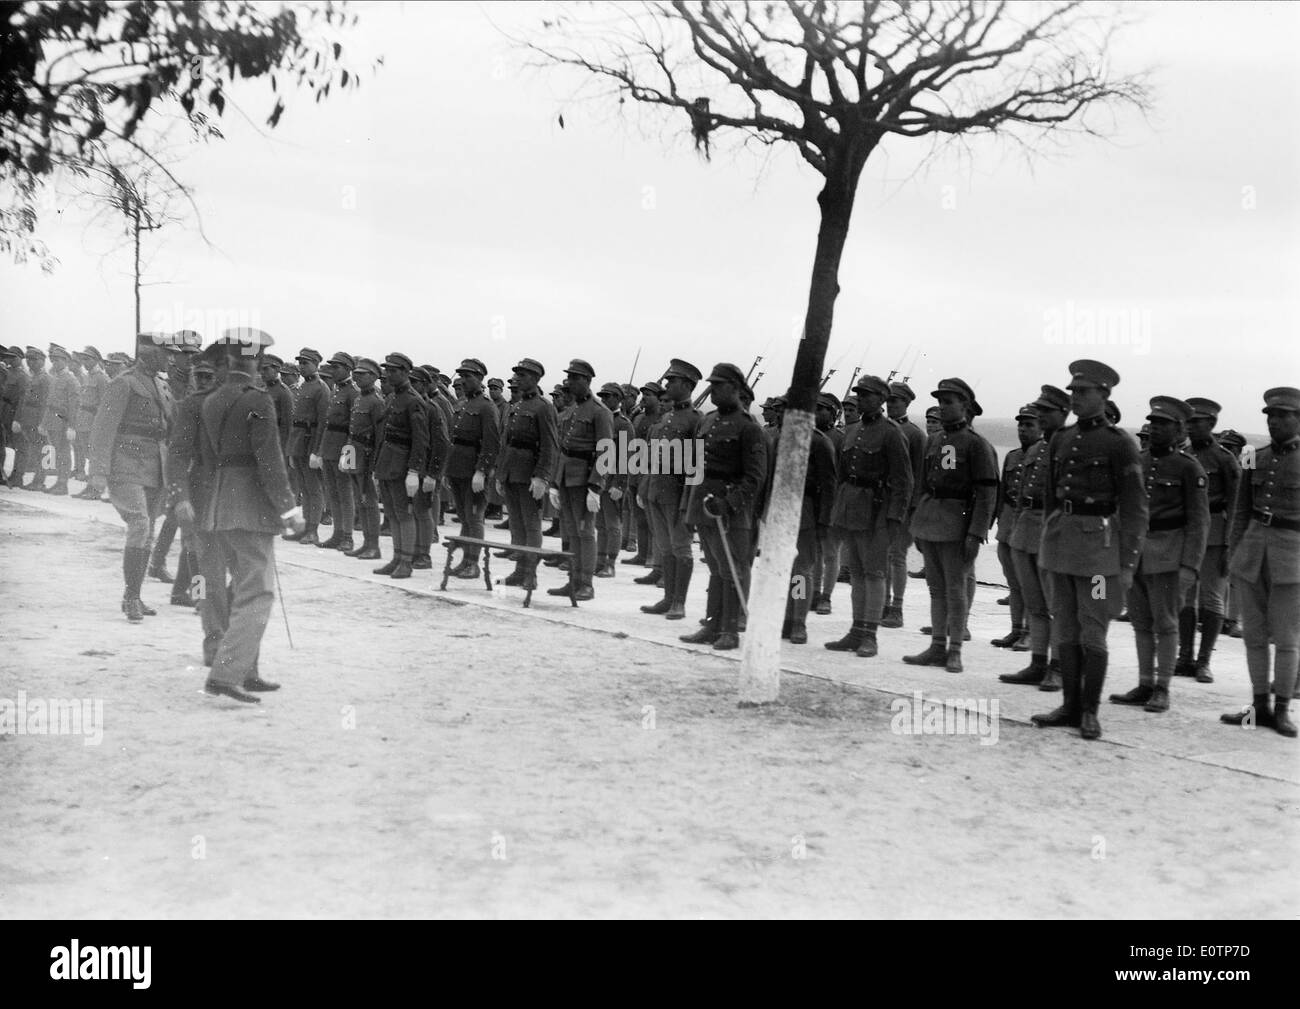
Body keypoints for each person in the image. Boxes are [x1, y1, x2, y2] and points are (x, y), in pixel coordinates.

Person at [183, 329, 305, 703]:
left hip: (219, 502)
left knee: (239, 588)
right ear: (256, 360)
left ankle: (246, 671)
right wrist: (289, 508)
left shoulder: (212, 398)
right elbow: (269, 460)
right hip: (249, 505)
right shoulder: (259, 399)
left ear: (230, 359)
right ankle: (226, 673)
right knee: (257, 591)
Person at [1032, 360, 1148, 740]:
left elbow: (1134, 509)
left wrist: (1127, 564)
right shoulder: (1060, 440)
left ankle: (1090, 711)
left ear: (1104, 395)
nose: (1075, 397)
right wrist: (1050, 533)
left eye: (1083, 392)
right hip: (1061, 548)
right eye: (1073, 392)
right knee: (1064, 626)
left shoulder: (1120, 444)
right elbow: (1051, 495)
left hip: (1100, 556)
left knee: (1093, 631)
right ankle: (1069, 705)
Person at [1109, 397, 1209, 714]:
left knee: (1166, 624)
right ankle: (1144, 683)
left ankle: (1163, 686)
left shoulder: (1188, 468)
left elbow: (1199, 522)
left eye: (1164, 424)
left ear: (1179, 429)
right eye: (1153, 422)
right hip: (1135, 553)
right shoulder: (1138, 461)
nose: (1155, 429)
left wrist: (1190, 567)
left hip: (1168, 555)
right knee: (1140, 622)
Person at [1220, 387, 1300, 738]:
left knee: (1286, 637)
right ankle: (1258, 706)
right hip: (1252, 552)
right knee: (1253, 635)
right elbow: (1240, 509)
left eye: (1283, 416)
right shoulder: (1252, 455)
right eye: (1270, 415)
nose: (1274, 422)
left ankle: (1282, 708)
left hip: (1291, 556)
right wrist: (1234, 551)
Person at [904, 378, 998, 673]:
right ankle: (936, 645)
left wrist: (976, 532)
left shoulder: (976, 444)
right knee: (936, 589)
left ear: (965, 407)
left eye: (949, 402)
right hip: (931, 521)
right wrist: (917, 524)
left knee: (955, 589)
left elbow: (986, 493)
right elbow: (921, 484)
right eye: (941, 402)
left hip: (958, 524)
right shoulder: (933, 441)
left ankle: (955, 649)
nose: (943, 408)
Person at [88, 332, 176, 621]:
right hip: (126, 465)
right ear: (149, 353)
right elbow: (103, 428)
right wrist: (98, 471)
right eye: (166, 353)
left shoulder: (162, 385)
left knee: (148, 527)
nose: (170, 358)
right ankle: (131, 596)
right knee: (139, 523)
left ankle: (135, 595)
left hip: (155, 466)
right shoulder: (123, 383)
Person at [678, 363, 766, 650]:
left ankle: (730, 630)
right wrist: (688, 508)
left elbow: (755, 476)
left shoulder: (749, 427)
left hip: (730, 510)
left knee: (732, 568)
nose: (712, 390)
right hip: (704, 503)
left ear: (736, 389)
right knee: (715, 568)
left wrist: (728, 503)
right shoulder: (707, 421)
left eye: (718, 385)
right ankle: (712, 624)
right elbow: (695, 468)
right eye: (711, 384)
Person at [824, 375, 912, 655]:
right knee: (858, 573)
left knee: (874, 573)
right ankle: (856, 629)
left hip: (877, 512)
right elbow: (840, 475)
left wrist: (895, 518)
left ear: (882, 399)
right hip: (851, 509)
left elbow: (903, 481)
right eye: (859, 395)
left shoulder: (891, 433)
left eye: (866, 395)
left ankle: (869, 635)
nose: (860, 399)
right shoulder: (852, 431)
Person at [1001, 384, 1071, 689]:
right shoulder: (1033, 450)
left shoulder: (1071, 445)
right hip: (1026, 529)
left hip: (1054, 530)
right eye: (1037, 411)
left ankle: (1058, 667)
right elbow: (1020, 494)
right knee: (1036, 604)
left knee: (1058, 605)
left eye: (1045, 411)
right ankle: (1038, 662)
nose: (1039, 416)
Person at [1175, 397, 1241, 683]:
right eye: (1188, 422)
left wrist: (1230, 545)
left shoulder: (1225, 459)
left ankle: (1204, 661)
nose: (1190, 428)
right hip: (1186, 532)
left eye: (1196, 422)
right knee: (1185, 597)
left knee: (1212, 598)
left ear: (1212, 424)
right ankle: (1184, 657)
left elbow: (1237, 505)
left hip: (1215, 534)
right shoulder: (1183, 455)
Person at [640, 360, 703, 615]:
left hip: (678, 494)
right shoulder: (666, 418)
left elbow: (696, 466)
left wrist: (690, 502)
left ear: (687, 385)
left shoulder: (695, 420)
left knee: (681, 548)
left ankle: (679, 602)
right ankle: (667, 598)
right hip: (657, 489)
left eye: (672, 381)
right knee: (665, 547)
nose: (667, 385)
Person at [547, 359, 612, 600]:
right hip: (566, 478)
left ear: (586, 381)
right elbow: (562, 449)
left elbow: (606, 451)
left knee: (585, 533)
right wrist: (555, 482)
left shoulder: (600, 412)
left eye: (575, 378)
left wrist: (596, 486)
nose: (570, 382)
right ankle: (573, 580)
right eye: (569, 378)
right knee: (572, 532)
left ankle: (586, 583)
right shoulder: (571, 411)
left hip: (585, 481)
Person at [774, 395, 835, 643]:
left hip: (806, 512)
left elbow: (829, 486)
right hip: (780, 510)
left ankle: (798, 621)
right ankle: (787, 619)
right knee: (782, 570)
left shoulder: (820, 443)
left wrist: (823, 521)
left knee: (801, 571)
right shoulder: (779, 438)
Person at [495, 358, 559, 587]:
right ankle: (519, 571)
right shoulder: (516, 406)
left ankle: (530, 574)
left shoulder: (544, 407)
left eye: (522, 375)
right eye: (517, 375)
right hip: (512, 472)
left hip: (529, 474)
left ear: (534, 378)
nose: (517, 379)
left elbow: (550, 445)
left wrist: (542, 476)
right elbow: (506, 442)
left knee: (531, 525)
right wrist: (501, 475)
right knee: (516, 523)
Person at [372, 353, 430, 579]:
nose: (388, 374)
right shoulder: (392, 398)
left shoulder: (414, 401)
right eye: (387, 370)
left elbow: (420, 440)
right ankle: (397, 557)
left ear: (406, 372)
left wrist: (414, 471)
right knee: (393, 513)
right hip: (387, 462)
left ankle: (406, 561)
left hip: (402, 465)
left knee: (404, 514)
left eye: (393, 370)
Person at [444, 358, 500, 579]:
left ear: (480, 379)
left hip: (473, 470)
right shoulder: (461, 404)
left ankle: (473, 563)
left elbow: (491, 442)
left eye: (469, 376)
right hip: (457, 467)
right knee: (464, 517)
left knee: (474, 518)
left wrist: (482, 471)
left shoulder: (487, 407)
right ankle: (465, 560)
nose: (463, 380)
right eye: (462, 376)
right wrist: (448, 470)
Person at [991, 404, 1040, 649]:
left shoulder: (1045, 455)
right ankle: (1016, 629)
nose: (1023, 429)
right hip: (1009, 521)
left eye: (1029, 424)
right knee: (1013, 581)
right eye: (1021, 424)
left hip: (1032, 523)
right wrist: (997, 518)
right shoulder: (1011, 456)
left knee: (1030, 583)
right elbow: (1002, 491)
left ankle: (1031, 633)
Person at [338, 357, 386, 560]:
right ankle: (366, 543)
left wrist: (375, 465)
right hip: (353, 451)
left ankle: (373, 545)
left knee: (370, 501)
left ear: (374, 377)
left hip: (367, 455)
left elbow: (380, 436)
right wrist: (345, 457)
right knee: (360, 499)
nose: (357, 377)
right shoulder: (359, 399)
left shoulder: (377, 401)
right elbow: (351, 430)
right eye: (355, 373)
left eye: (362, 374)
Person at [285, 347, 329, 545]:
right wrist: (291, 449)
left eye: (306, 363)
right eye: (300, 363)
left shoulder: (322, 388)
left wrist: (317, 452)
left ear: (316, 365)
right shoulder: (302, 387)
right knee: (303, 487)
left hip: (311, 442)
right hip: (298, 442)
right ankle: (304, 529)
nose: (301, 367)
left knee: (313, 489)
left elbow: (323, 423)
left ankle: (313, 530)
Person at [317, 352, 359, 552]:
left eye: (336, 367)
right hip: (329, 446)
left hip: (344, 447)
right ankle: (337, 533)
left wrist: (348, 455)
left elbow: (355, 427)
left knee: (345, 493)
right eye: (331, 367)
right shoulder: (335, 390)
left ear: (347, 369)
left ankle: (348, 536)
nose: (332, 370)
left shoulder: (353, 392)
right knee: (332, 492)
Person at [594, 381, 633, 577]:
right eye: (602, 396)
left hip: (613, 480)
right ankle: (599, 560)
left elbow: (627, 457)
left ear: (618, 399)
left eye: (608, 396)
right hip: (599, 478)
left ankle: (610, 563)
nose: (604, 400)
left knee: (612, 524)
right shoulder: (600, 419)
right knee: (599, 524)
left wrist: (620, 484)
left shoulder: (624, 425)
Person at [623, 380, 663, 567]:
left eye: (649, 395)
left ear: (658, 398)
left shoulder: (661, 419)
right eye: (643, 394)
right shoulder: (637, 418)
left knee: (652, 517)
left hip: (650, 471)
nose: (644, 398)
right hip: (634, 469)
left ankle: (653, 556)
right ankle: (642, 553)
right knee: (638, 515)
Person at [37, 343, 79, 495]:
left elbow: (74, 406)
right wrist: (43, 423)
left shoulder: (71, 380)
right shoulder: (55, 378)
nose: (55, 363)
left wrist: (72, 427)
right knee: (58, 452)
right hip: (53, 421)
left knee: (64, 453)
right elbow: (49, 404)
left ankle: (63, 484)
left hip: (63, 421)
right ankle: (59, 482)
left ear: (66, 361)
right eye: (53, 360)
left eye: (58, 360)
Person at [72, 346, 109, 496]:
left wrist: (100, 425)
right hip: (83, 420)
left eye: (87, 359)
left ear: (96, 360)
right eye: (83, 359)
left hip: (94, 421)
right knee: (88, 454)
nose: (84, 362)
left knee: (95, 456)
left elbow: (104, 404)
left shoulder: (101, 378)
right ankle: (90, 486)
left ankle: (96, 488)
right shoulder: (88, 377)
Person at [15, 345, 49, 489]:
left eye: (34, 360)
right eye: (28, 360)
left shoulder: (45, 379)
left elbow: (45, 403)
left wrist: (43, 423)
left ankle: (39, 481)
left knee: (40, 451)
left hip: (37, 420)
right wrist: (18, 419)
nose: (30, 362)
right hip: (27, 420)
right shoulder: (31, 377)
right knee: (33, 450)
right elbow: (23, 401)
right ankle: (36, 480)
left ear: (42, 361)